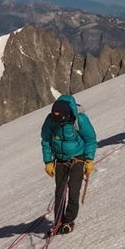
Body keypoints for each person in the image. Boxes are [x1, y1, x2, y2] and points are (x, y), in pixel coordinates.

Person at [40, 95, 97, 235]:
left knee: (73, 190)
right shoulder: (51, 120)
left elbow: (90, 139)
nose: (58, 122)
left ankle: (69, 220)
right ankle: (58, 222)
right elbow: (46, 140)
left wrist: (89, 159)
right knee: (59, 193)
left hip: (77, 158)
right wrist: (48, 162)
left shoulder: (80, 120)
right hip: (60, 160)